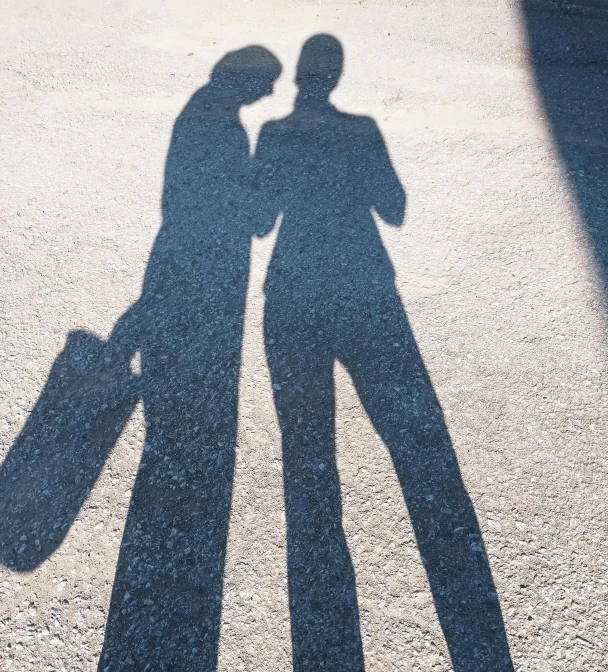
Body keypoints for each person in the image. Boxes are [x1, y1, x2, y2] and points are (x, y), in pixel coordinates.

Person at [255, 34, 514, 671]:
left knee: (307, 455)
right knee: (416, 444)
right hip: (367, 293)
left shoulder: (272, 133)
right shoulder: (363, 128)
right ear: (335, 77)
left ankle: (318, 617)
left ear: (297, 77)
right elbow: (393, 210)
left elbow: (260, 220)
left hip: (290, 295)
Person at [98, 46, 281, 671]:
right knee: (193, 411)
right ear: (248, 82)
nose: (268, 94)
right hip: (208, 277)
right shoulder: (226, 127)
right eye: (267, 83)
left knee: (175, 416)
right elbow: (252, 220)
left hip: (180, 263)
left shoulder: (200, 113)